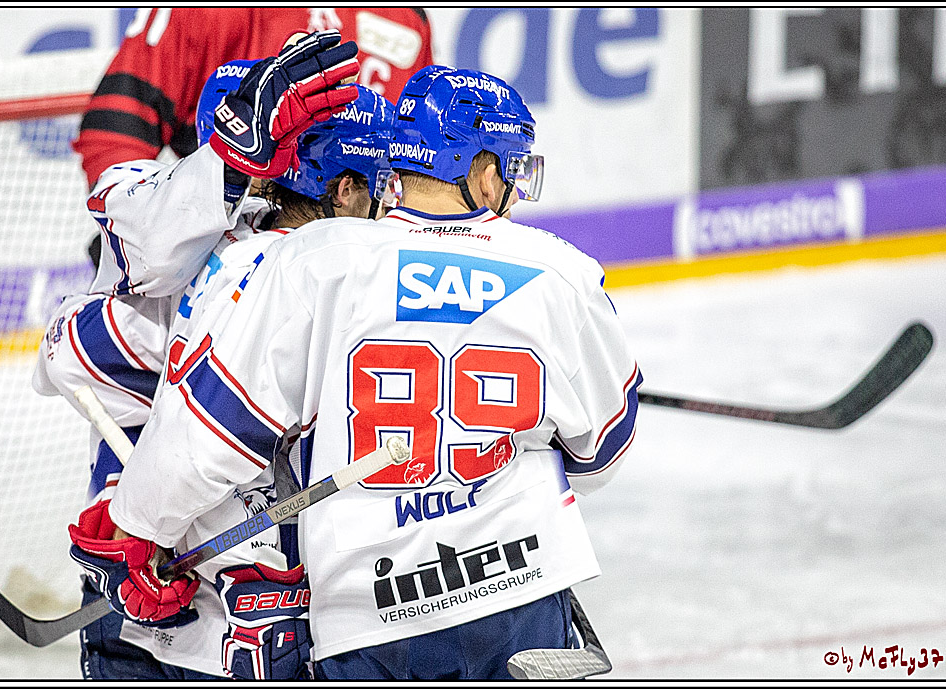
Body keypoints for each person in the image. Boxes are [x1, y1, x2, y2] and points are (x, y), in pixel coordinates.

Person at [104, 65, 644, 680]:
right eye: (515, 170)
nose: (517, 190)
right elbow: (604, 451)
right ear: (484, 172)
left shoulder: (313, 261)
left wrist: (141, 525)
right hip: (520, 597)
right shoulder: (562, 272)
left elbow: (213, 434)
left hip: (369, 618)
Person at [33, 32, 388, 679]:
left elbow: (67, 355)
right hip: (271, 623)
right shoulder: (303, 270)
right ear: (340, 185)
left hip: (161, 602)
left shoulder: (186, 262)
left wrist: (120, 504)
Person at [75, 7, 432, 189]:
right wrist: (147, 234)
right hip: (232, 258)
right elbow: (114, 136)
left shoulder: (406, 18)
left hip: (364, 259)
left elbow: (422, 155)